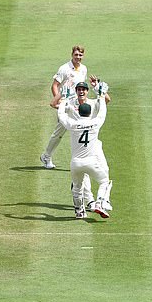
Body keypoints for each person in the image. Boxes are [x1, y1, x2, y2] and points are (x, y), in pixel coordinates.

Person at [53, 81, 112, 212]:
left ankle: (79, 211)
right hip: (90, 158)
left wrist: (63, 98)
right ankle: (99, 202)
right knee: (103, 180)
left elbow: (61, 115)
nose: (81, 91)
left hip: (75, 162)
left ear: (78, 112)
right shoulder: (96, 123)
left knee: (76, 187)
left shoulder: (72, 124)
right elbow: (102, 111)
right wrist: (101, 95)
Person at [40, 45, 88, 169]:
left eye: (80, 55)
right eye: (76, 55)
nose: (78, 57)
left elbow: (82, 88)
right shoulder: (64, 68)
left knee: (81, 131)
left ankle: (81, 160)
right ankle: (46, 156)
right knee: (59, 134)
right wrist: (60, 100)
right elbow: (54, 85)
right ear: (72, 55)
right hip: (66, 105)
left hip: (77, 106)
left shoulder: (83, 69)